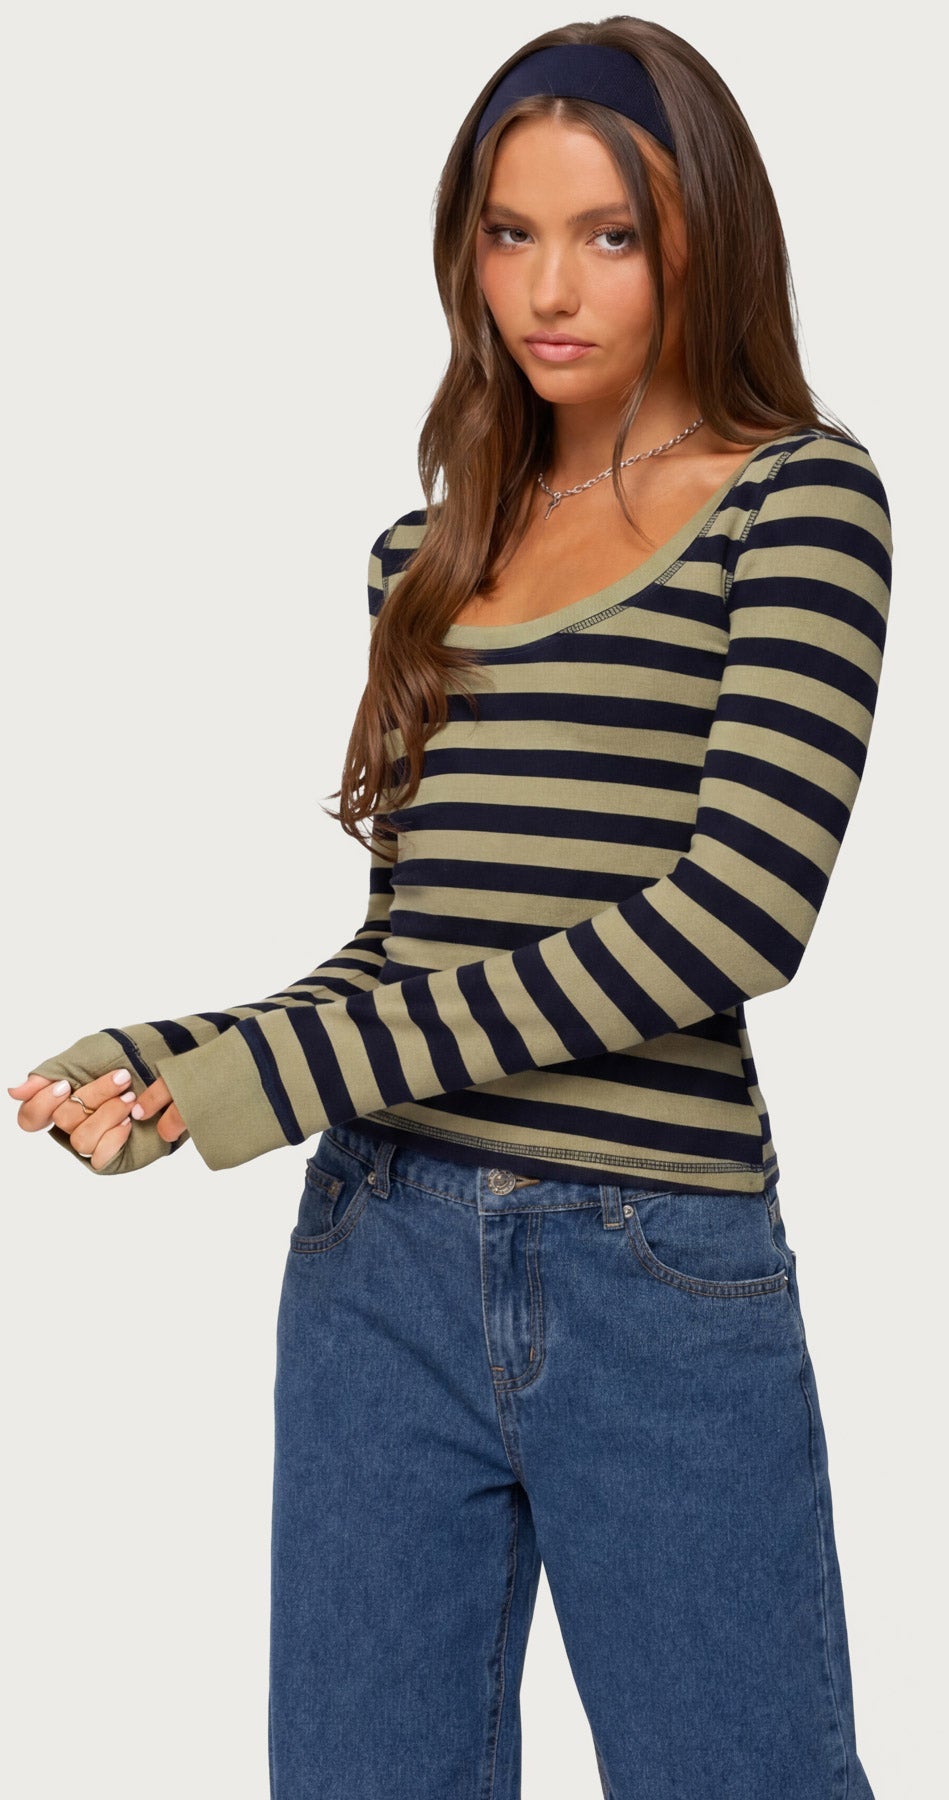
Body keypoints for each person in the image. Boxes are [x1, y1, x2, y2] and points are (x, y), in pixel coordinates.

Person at [10, 19, 892, 1799]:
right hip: (377, 1257)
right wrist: (191, 1059)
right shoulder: (425, 558)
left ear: (703, 237)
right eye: (510, 233)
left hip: (654, 1272)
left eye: (610, 234)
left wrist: (282, 1077)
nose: (549, 288)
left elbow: (734, 917)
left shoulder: (799, 500)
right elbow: (411, 948)